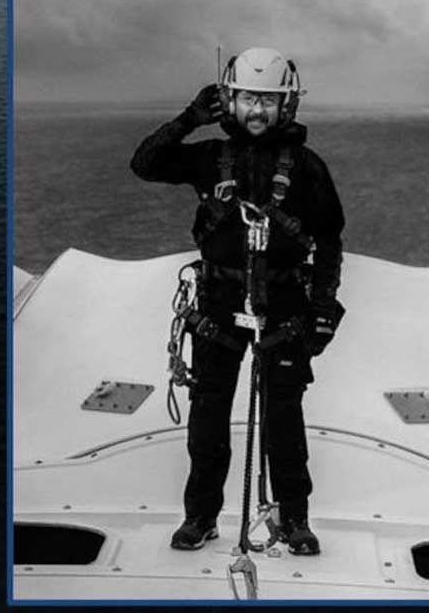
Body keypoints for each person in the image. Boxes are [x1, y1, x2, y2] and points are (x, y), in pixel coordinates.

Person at [130, 47, 345, 556]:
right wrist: (189, 118)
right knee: (208, 419)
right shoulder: (210, 158)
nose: (256, 111)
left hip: (286, 306)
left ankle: (294, 519)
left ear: (286, 105)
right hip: (219, 305)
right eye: (248, 98)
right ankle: (200, 517)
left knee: (284, 421)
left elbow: (330, 240)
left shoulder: (308, 168)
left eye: (268, 100)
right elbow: (144, 164)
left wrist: (322, 307)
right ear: (229, 99)